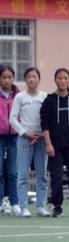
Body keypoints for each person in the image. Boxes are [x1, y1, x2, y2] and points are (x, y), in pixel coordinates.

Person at [41, 68, 69, 218]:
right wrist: (48, 144)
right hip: (55, 146)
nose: (62, 81)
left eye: (65, 78)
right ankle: (57, 206)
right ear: (55, 80)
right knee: (57, 177)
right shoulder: (49, 101)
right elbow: (45, 124)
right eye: (59, 78)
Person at [9, 67, 48, 217]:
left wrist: (42, 134)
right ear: (25, 80)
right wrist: (25, 133)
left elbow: (48, 118)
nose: (32, 79)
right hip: (25, 138)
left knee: (42, 174)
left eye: (34, 77)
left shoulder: (45, 96)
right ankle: (24, 206)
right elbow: (12, 118)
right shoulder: (20, 97)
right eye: (29, 77)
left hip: (41, 138)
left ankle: (41, 206)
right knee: (22, 174)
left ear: (39, 79)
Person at [0, 65, 19, 216]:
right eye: (4, 77)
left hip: (14, 137)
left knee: (13, 171)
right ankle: (0, 202)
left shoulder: (18, 95)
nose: (7, 80)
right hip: (0, 136)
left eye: (10, 77)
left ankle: (14, 203)